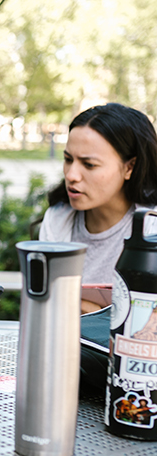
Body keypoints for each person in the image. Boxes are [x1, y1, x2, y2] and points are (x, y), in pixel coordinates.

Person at [39, 103, 157, 310]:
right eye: (68, 159)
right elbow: (47, 305)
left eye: (89, 164)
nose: (71, 175)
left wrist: (78, 305)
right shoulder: (58, 220)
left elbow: (147, 320)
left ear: (130, 167)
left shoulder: (152, 226)